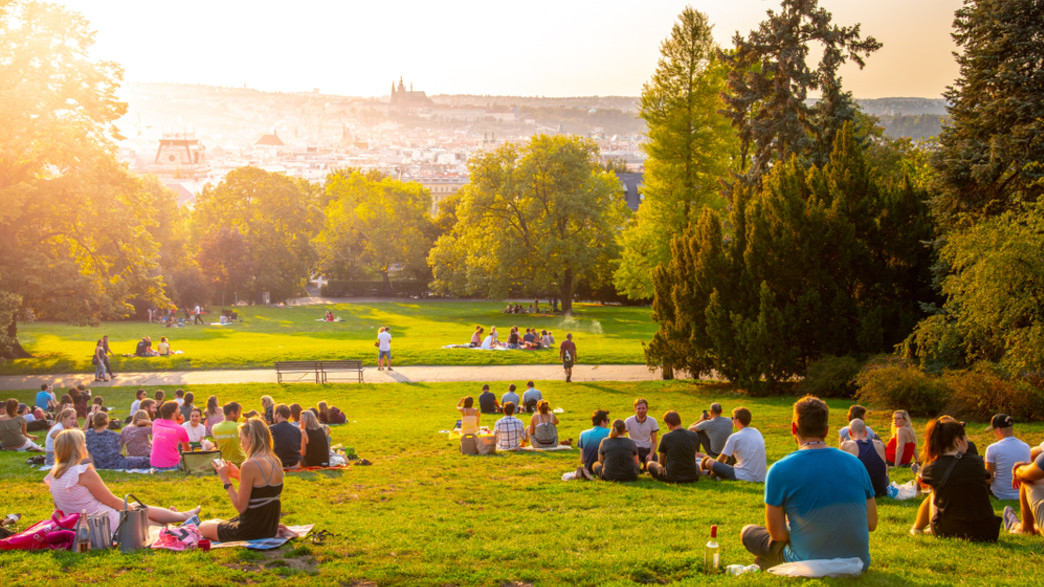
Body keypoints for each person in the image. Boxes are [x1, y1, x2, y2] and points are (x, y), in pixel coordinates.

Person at [741, 395, 877, 571]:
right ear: (826, 430)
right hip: (857, 561)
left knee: (748, 532)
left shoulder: (780, 469)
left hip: (808, 560)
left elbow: (778, 535)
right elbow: (871, 523)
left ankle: (769, 560)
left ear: (793, 428)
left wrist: (802, 528)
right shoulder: (856, 464)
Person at [46, 429, 200, 542]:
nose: (86, 447)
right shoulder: (83, 473)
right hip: (102, 525)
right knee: (139, 512)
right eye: (84, 444)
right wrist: (135, 511)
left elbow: (58, 508)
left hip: (76, 526)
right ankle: (180, 521)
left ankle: (180, 517)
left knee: (137, 509)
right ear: (78, 448)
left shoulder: (54, 475)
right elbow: (111, 501)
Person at [199, 419, 295, 543]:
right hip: (268, 527)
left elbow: (241, 507)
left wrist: (225, 479)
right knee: (217, 521)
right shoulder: (275, 460)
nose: (241, 444)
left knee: (203, 526)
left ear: (249, 437)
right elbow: (261, 491)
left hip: (250, 531)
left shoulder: (249, 464)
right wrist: (239, 475)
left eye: (241, 439)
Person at [910, 417, 1000, 541]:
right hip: (986, 531)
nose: (967, 443)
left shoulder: (931, 469)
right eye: (965, 439)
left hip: (947, 530)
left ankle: (919, 527)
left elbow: (924, 482)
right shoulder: (977, 463)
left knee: (934, 493)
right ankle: (920, 527)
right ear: (958, 441)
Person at [699, 407, 767, 483]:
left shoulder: (735, 437)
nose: (732, 420)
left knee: (709, 462)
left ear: (738, 420)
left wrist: (715, 466)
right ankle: (718, 476)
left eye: (733, 418)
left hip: (743, 475)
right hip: (761, 477)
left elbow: (720, 460)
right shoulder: (756, 432)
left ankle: (713, 475)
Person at [984, 413, 1031, 500]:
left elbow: (989, 479)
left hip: (1000, 493)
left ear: (999, 430)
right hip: (1021, 492)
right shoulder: (1026, 447)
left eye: (994, 431)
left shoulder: (992, 448)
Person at [841, 419, 889, 498]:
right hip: (879, 490)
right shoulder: (880, 444)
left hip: (859, 490)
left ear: (849, 432)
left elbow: (842, 470)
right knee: (886, 466)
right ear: (866, 432)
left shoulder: (846, 445)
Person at [648, 411, 701, 483]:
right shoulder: (694, 435)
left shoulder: (666, 437)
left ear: (668, 425)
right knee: (696, 466)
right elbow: (694, 454)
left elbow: (661, 461)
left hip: (671, 477)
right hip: (692, 476)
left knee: (650, 464)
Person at [85, 411, 150, 470]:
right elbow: (117, 451)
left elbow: (90, 453)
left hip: (99, 465)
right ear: (107, 421)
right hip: (117, 464)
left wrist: (94, 467)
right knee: (145, 460)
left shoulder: (88, 434)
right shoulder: (113, 435)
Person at [150, 401, 190, 470]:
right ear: (173, 413)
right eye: (178, 409)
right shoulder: (180, 429)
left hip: (154, 465)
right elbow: (187, 450)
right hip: (172, 465)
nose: (180, 410)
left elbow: (168, 427)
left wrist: (176, 422)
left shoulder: (156, 423)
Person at [625, 398, 659, 469]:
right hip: (634, 449)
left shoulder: (652, 421)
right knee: (635, 467)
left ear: (647, 408)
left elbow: (654, 442)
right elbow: (621, 437)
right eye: (639, 408)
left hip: (647, 448)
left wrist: (650, 454)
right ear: (635, 409)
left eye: (643, 408)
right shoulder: (628, 421)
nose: (641, 411)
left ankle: (646, 466)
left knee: (656, 467)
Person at [578, 409, 611, 474]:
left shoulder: (583, 434)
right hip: (605, 469)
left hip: (589, 469)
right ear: (602, 421)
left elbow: (582, 460)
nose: (608, 423)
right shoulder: (610, 433)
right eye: (608, 420)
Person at [269, 404, 301, 468]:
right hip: (294, 464)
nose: (273, 416)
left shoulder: (271, 429)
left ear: (278, 414)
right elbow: (298, 447)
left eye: (274, 414)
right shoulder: (296, 429)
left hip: (278, 464)